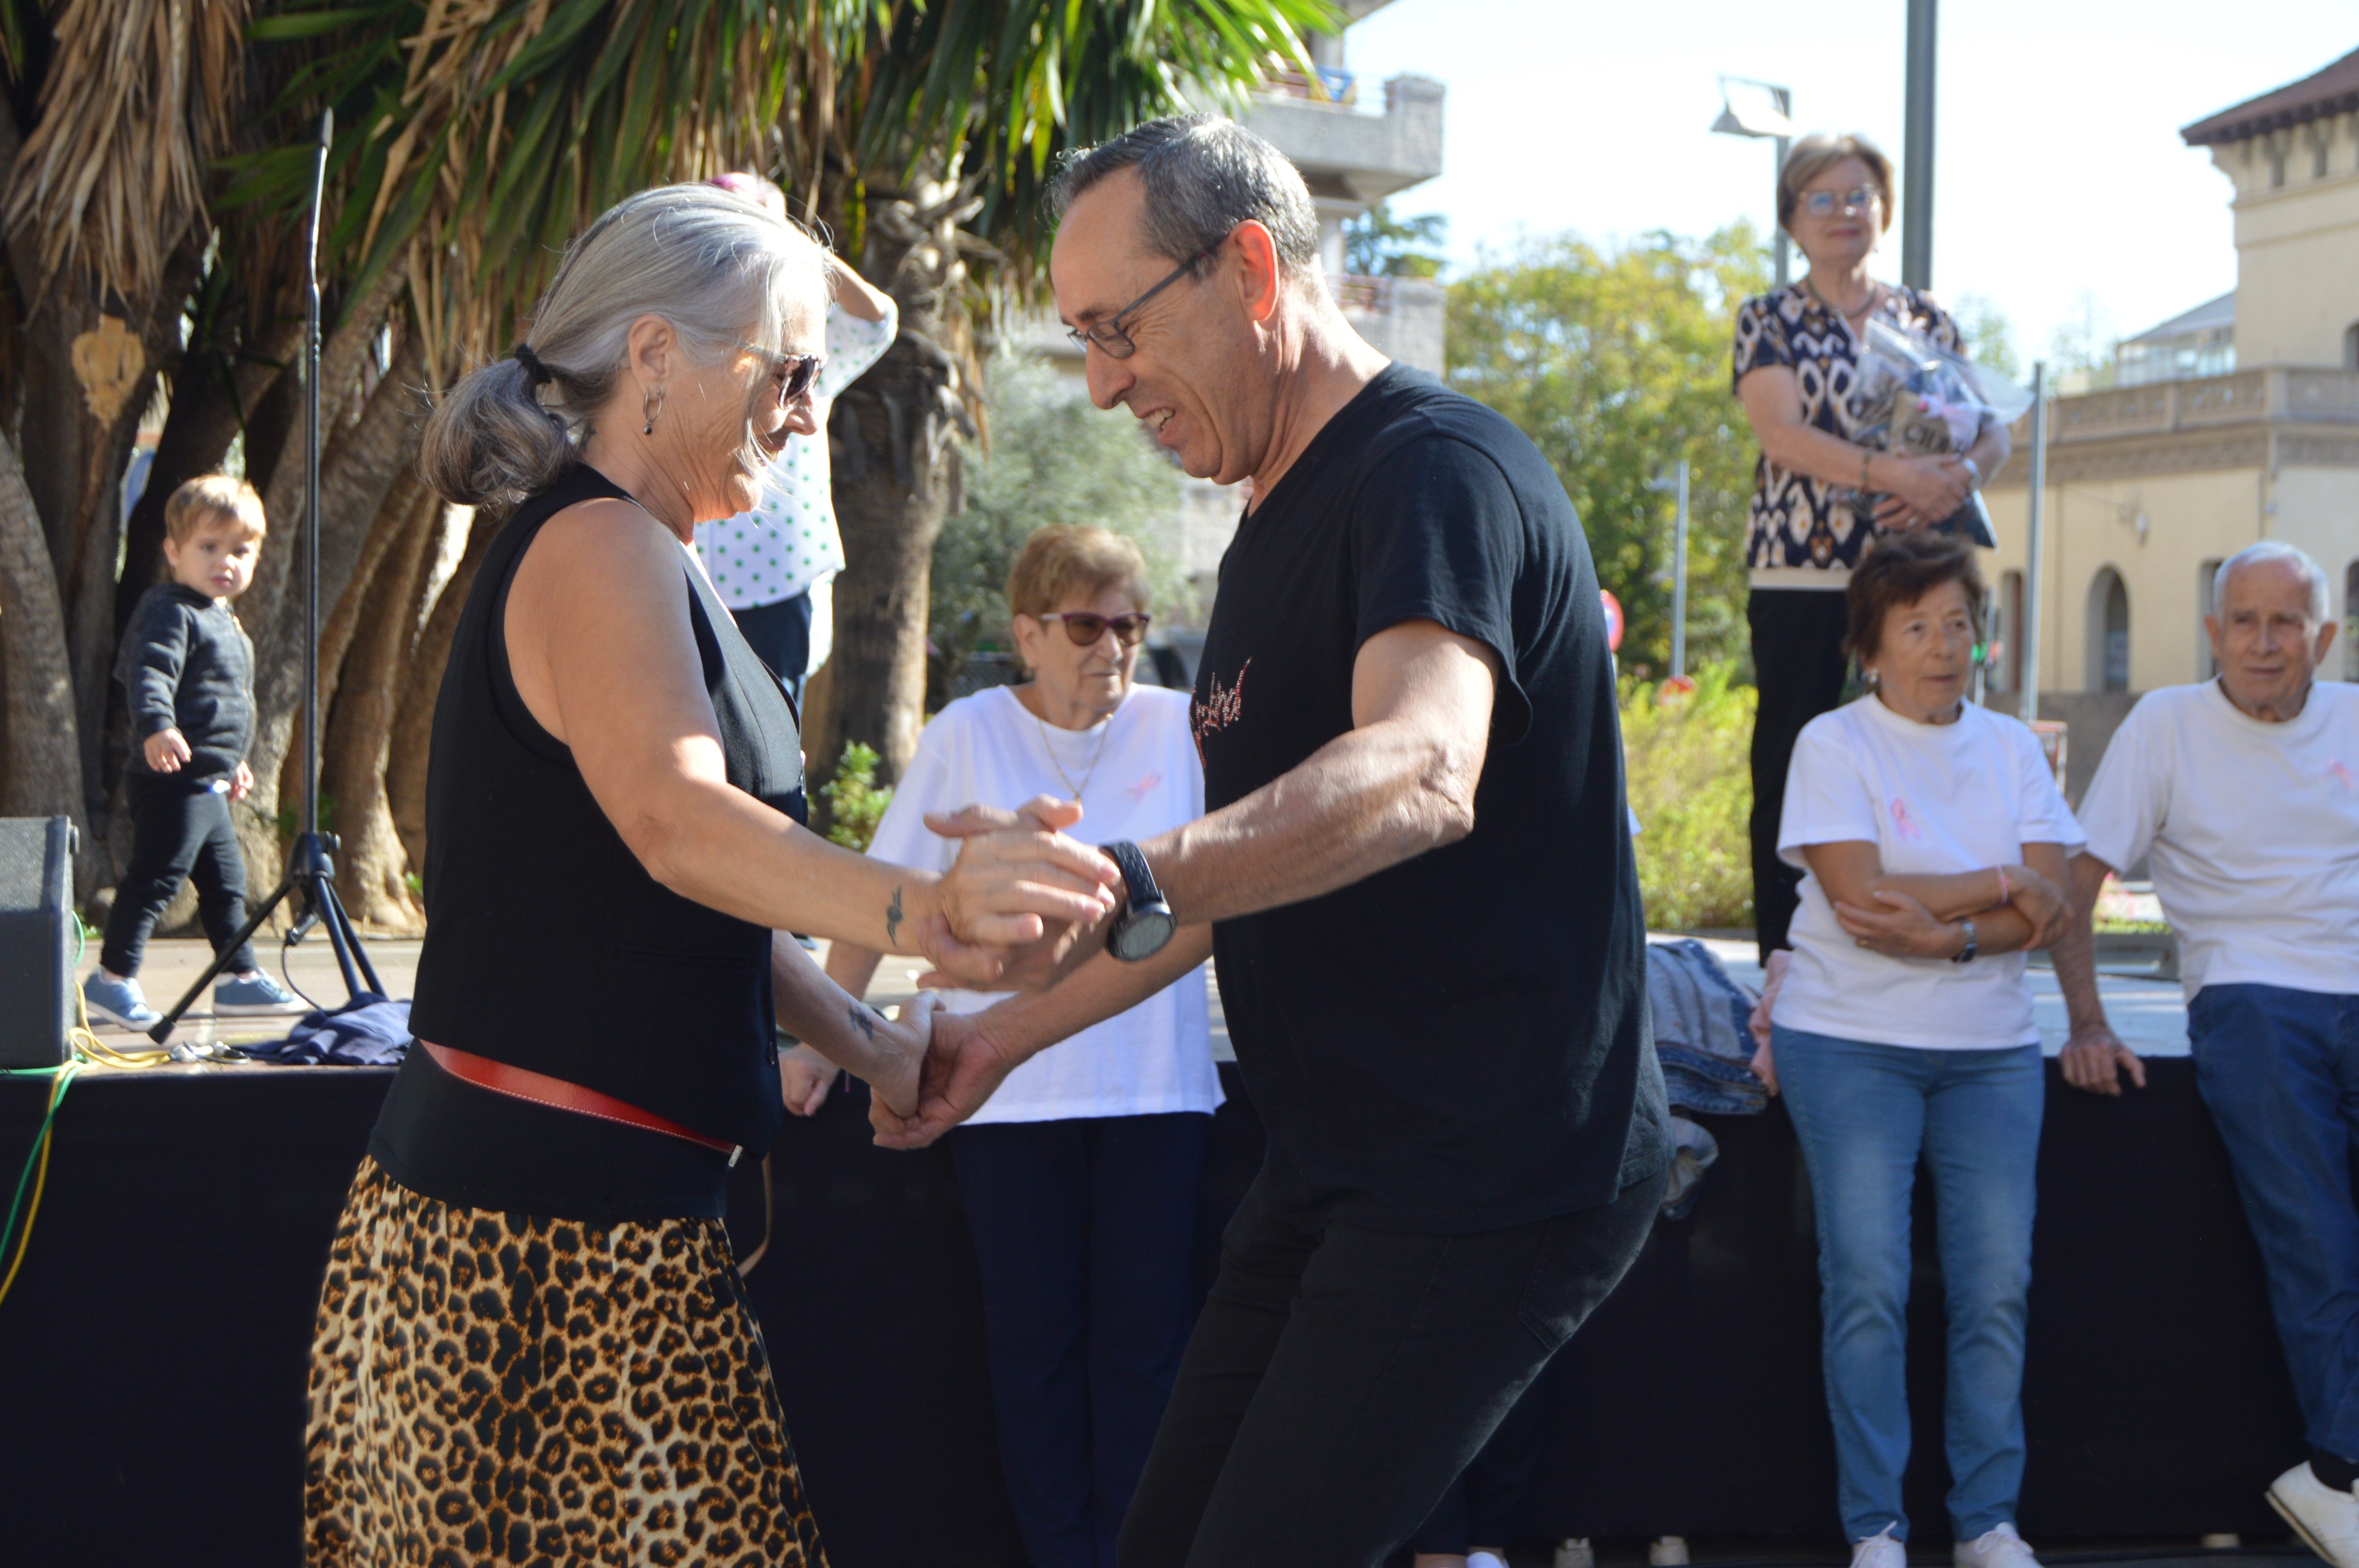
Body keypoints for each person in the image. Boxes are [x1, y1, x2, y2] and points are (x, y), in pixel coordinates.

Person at [871, 113, 1671, 1568]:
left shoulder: (1434, 473)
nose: (1105, 385)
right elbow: (1238, 883)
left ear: (1248, 265)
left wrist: (1129, 869)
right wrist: (1003, 1039)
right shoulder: (1263, 532)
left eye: (1117, 330)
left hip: (1488, 1171)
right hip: (1334, 1165)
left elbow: (1424, 767)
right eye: (1085, 342)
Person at [301, 183, 1121, 1565]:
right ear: (654, 355)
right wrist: (923, 905)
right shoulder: (602, 543)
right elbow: (680, 825)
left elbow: (686, 892)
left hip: (575, 1233)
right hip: (538, 1251)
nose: (812, 409)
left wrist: (874, 1045)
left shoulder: (641, 554)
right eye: (792, 370)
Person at [819, 524, 1220, 1568]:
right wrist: (821, 1030)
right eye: (1087, 624)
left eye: (1129, 624)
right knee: (1033, 1360)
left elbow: (1241, 887)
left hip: (1158, 1096)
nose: (1113, 647)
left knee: (1148, 1357)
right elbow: (885, 893)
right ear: (1028, 633)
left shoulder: (1186, 726)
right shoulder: (968, 729)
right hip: (1009, 1098)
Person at [1760, 531, 2077, 1568]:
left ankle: (1987, 1520)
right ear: (1871, 646)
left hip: (1989, 1050)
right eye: (1916, 627)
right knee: (1869, 1282)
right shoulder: (1834, 744)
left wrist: (1953, 931)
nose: (1943, 647)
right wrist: (2004, 882)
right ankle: (1877, 1528)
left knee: (1997, 1284)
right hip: (1848, 1043)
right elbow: (1858, 901)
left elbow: (2051, 908)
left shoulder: (2012, 748)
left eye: (1958, 625)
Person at [2052, 542, 2359, 1567]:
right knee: (2315, 1232)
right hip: (2251, 987)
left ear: (2324, 635)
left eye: (2287, 623)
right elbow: (2075, 881)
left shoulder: (2355, 717)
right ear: (2215, 633)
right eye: (2245, 622)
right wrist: (2089, 1023)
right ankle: (2346, 1474)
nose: (2264, 643)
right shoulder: (2167, 725)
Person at [1731, 131, 2011, 967]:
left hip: (1914, 574)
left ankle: (1916, 924)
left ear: (1882, 211)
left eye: (1857, 196)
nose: (1841, 214)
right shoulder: (1769, 318)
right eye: (1820, 198)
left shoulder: (1926, 318)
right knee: (1792, 753)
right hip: (1802, 572)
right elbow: (1780, 433)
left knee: (1924, 746)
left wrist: (1955, 476)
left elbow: (1990, 430)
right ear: (1792, 218)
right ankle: (1786, 954)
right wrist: (1893, 471)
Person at [85, 474, 302, 1028]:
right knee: (156, 879)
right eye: (209, 548)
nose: (225, 561)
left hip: (206, 782)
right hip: (170, 778)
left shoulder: (224, 620)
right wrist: (157, 726)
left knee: (227, 885)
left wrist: (234, 762)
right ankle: (111, 981)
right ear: (174, 552)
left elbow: (224, 708)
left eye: (240, 550)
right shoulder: (170, 610)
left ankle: (239, 980)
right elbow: (149, 672)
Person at [692, 171, 897, 701]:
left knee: (772, 736)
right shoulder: (682, 333)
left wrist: (793, 245)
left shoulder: (809, 332)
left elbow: (876, 320)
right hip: (681, 572)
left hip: (777, 579)